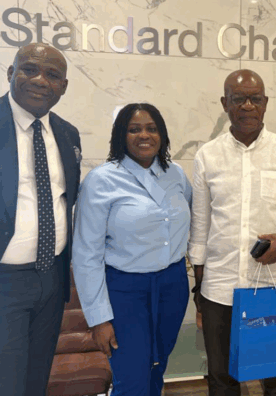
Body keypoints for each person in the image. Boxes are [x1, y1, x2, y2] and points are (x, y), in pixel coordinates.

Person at [190, 69, 276, 396]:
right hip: (220, 289)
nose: (247, 106)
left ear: (265, 103)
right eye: (238, 99)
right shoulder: (207, 156)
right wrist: (199, 289)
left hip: (272, 286)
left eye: (255, 99)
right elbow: (200, 227)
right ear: (224, 103)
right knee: (222, 380)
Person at [72, 103, 191, 396]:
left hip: (172, 286)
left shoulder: (176, 174)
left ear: (162, 135)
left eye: (151, 128)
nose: (144, 135)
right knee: (131, 378)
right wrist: (99, 318)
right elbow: (86, 253)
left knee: (157, 368)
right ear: (120, 136)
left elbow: (189, 218)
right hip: (125, 291)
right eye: (134, 129)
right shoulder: (101, 180)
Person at [0, 43, 80, 396]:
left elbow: (67, 199)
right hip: (5, 282)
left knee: (36, 380)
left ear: (63, 86)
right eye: (29, 69)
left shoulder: (67, 134)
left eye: (52, 74)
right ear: (11, 73)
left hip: (52, 279)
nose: (40, 80)